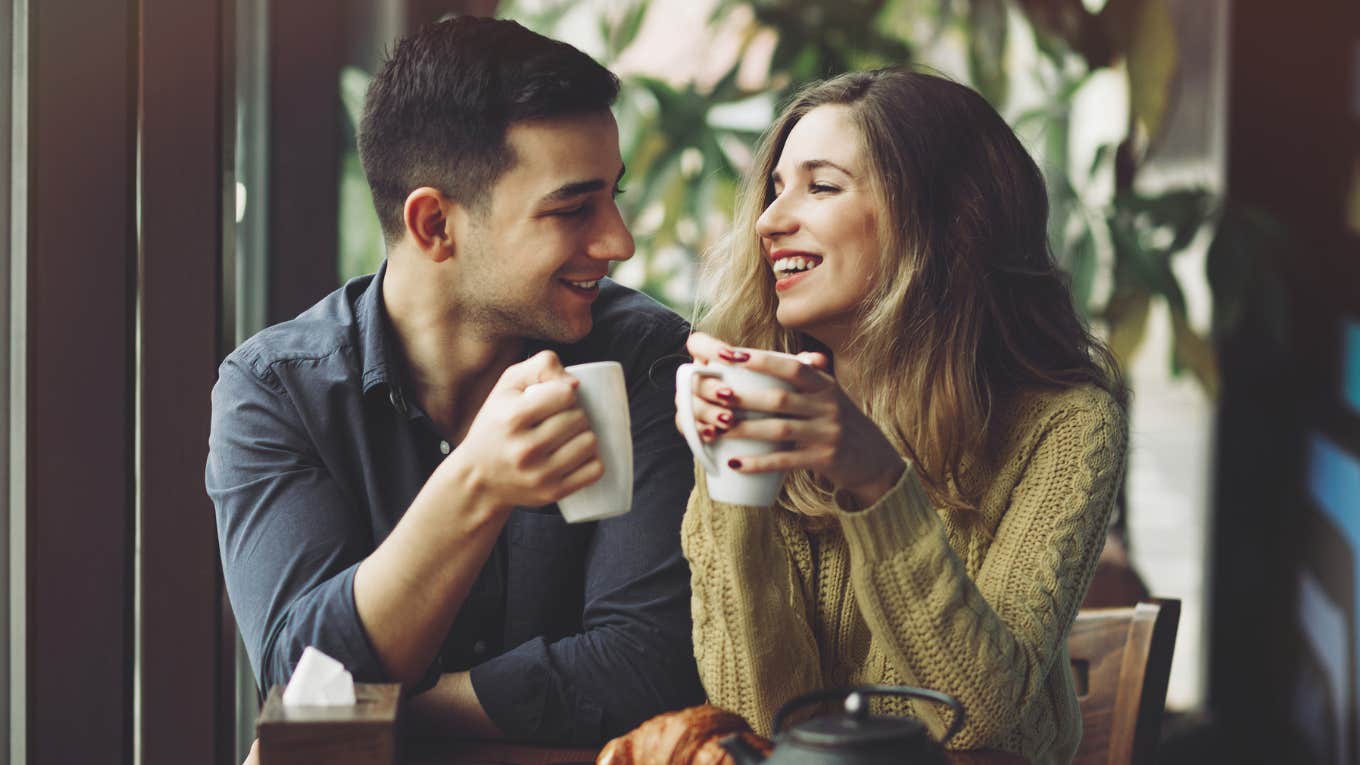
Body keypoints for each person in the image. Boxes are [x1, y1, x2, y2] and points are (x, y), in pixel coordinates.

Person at [207, 16, 702, 746]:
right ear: (435, 223)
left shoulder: (645, 359)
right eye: (573, 208)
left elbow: (648, 667)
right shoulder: (277, 392)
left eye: (614, 196)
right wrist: (479, 480)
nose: (618, 241)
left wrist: (394, 712)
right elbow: (302, 674)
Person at [678, 68, 1128, 765]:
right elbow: (760, 721)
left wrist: (877, 480)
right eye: (775, 190)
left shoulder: (1067, 426)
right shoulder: (765, 407)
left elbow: (971, 718)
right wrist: (729, 478)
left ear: (947, 218)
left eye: (820, 186)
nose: (769, 220)